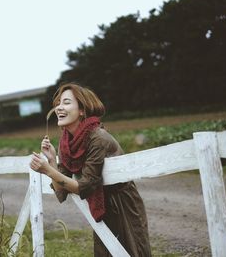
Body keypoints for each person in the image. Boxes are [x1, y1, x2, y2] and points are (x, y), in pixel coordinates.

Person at [29, 83, 151, 256]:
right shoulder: (66, 143)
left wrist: (48, 170)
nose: (59, 108)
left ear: (81, 110)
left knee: (133, 251)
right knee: (105, 253)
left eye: (66, 102)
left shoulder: (98, 138)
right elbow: (61, 191)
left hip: (122, 203)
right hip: (102, 201)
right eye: (57, 103)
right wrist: (52, 161)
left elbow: (84, 187)